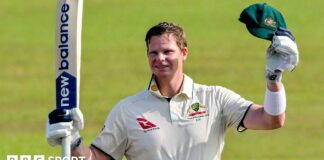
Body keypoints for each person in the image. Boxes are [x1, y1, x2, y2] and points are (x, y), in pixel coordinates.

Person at [46, 21, 298, 160]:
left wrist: (273, 79)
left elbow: (271, 119)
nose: (160, 58)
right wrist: (74, 141)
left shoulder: (214, 98)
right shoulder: (128, 110)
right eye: (153, 52)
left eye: (168, 52)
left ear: (184, 53)